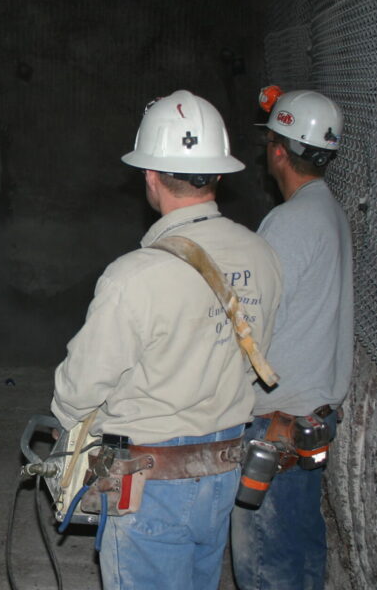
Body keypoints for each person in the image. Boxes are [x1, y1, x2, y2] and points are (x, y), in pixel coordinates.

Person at [51, 90, 282, 590]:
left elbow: (82, 385)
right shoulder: (262, 255)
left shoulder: (135, 275)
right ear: (218, 174)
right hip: (222, 471)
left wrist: (69, 430)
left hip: (149, 483)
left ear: (150, 176)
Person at [230, 88, 354, 590]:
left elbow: (252, 326)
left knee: (265, 563)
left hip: (276, 427)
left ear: (278, 149)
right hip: (312, 421)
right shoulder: (331, 212)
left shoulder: (288, 223)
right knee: (300, 557)